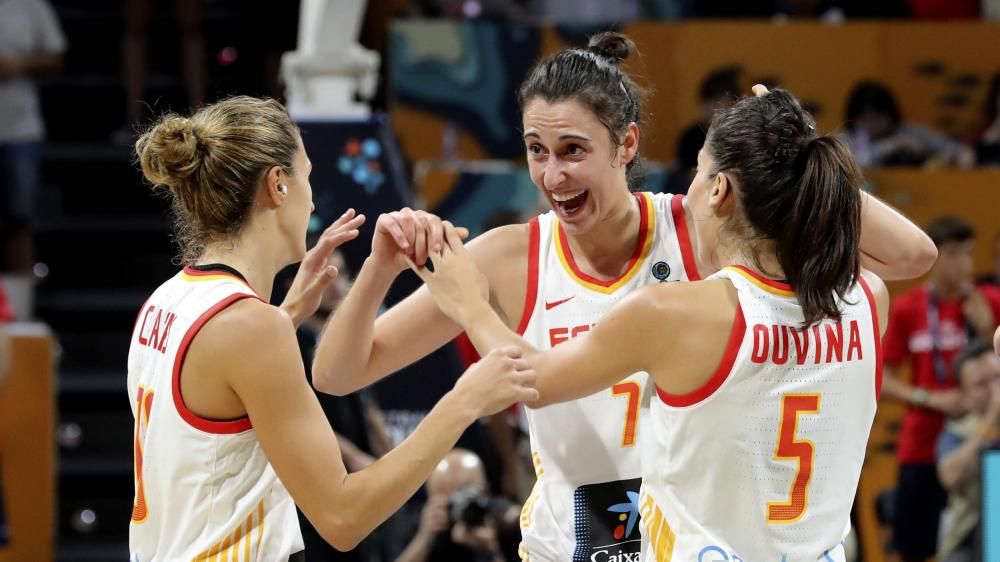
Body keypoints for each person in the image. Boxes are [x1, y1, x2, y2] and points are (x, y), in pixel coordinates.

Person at [312, 33, 936, 562]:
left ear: (627, 145)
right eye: (537, 150)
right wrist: (376, 271)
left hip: (692, 533)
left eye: (574, 151)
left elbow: (909, 256)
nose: (554, 176)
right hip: (575, 539)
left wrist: (789, 151)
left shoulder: (701, 226)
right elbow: (338, 373)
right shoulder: (510, 256)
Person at [413, 85, 890, 560]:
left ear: (719, 190)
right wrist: (793, 144)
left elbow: (533, 379)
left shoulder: (677, 311)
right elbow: (917, 253)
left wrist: (468, 305)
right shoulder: (869, 297)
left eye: (700, 173)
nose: (689, 191)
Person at [127, 95, 537, 560]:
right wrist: (465, 401)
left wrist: (289, 314)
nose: (311, 195)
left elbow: (214, 409)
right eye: (307, 175)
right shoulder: (251, 328)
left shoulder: (169, 299)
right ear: (278, 185)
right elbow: (344, 518)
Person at [880, 216, 1000, 562]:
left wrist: (987, 330)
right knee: (915, 548)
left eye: (968, 253)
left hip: (980, 438)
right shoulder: (907, 308)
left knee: (982, 543)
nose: (964, 263)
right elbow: (883, 381)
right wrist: (928, 397)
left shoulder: (988, 301)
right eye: (953, 254)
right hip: (922, 441)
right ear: (934, 257)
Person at [0, 0, 66, 274]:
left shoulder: (31, 5)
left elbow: (55, 57)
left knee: (21, 218)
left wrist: (17, 65)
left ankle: (19, 305)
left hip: (21, 128)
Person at [935, 339, 1000, 562]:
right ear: (965, 396)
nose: (995, 390)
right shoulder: (958, 432)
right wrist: (990, 420)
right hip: (970, 541)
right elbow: (950, 477)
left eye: (998, 378)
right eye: (982, 384)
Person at [395, 449, 520, 562]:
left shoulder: (500, 516)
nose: (459, 506)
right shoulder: (416, 522)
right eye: (450, 500)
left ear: (484, 489)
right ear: (431, 497)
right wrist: (424, 538)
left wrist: (496, 545)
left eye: (466, 495)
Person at [840, 80, 973, 168]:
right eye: (865, 118)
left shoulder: (910, 133)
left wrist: (930, 157)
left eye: (877, 117)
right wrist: (892, 145)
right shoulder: (843, 141)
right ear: (854, 118)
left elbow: (955, 149)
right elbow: (859, 164)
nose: (872, 124)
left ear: (890, 114)